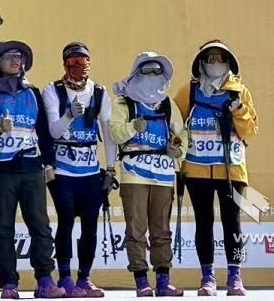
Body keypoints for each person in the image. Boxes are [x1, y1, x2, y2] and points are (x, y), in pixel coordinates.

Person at [0, 40, 63, 300]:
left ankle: (45, 279)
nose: (15, 60)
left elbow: (43, 131)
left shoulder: (31, 91)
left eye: (19, 56)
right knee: (3, 227)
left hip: (31, 166)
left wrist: (49, 162)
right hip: (0, 169)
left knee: (40, 225)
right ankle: (8, 284)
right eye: (9, 56)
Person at [173, 41, 258, 297]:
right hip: (197, 168)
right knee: (204, 222)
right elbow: (174, 124)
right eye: (210, 58)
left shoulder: (239, 91)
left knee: (233, 223)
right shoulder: (189, 91)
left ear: (229, 62)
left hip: (231, 170)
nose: (215, 63)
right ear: (201, 63)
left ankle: (235, 276)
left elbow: (250, 131)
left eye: (220, 58)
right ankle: (207, 277)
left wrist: (239, 110)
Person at [109, 52, 187, 297]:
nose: (152, 75)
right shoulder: (124, 103)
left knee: (161, 229)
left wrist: (178, 149)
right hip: (134, 174)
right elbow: (114, 133)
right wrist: (133, 127)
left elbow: (181, 133)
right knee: (136, 228)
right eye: (147, 70)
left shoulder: (168, 104)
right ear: (136, 73)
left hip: (163, 174)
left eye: (157, 71)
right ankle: (141, 280)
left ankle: (163, 280)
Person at [41, 42, 115, 298]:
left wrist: (110, 169)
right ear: (64, 64)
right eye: (72, 62)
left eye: (82, 62)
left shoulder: (100, 92)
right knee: (65, 220)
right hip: (62, 171)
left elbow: (108, 133)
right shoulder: (52, 90)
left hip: (90, 171)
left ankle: (84, 278)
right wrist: (69, 115)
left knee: (90, 225)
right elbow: (54, 131)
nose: (78, 67)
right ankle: (65, 277)